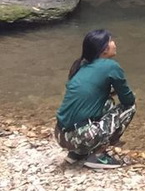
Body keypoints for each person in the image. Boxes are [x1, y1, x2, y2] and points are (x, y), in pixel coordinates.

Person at [54, 29, 136, 169]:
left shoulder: (80, 65)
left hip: (61, 135)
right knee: (129, 108)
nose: (114, 44)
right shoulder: (111, 66)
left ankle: (76, 153)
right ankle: (98, 155)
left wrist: (107, 92)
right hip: (79, 137)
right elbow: (128, 100)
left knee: (107, 102)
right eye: (111, 41)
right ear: (104, 49)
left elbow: (87, 94)